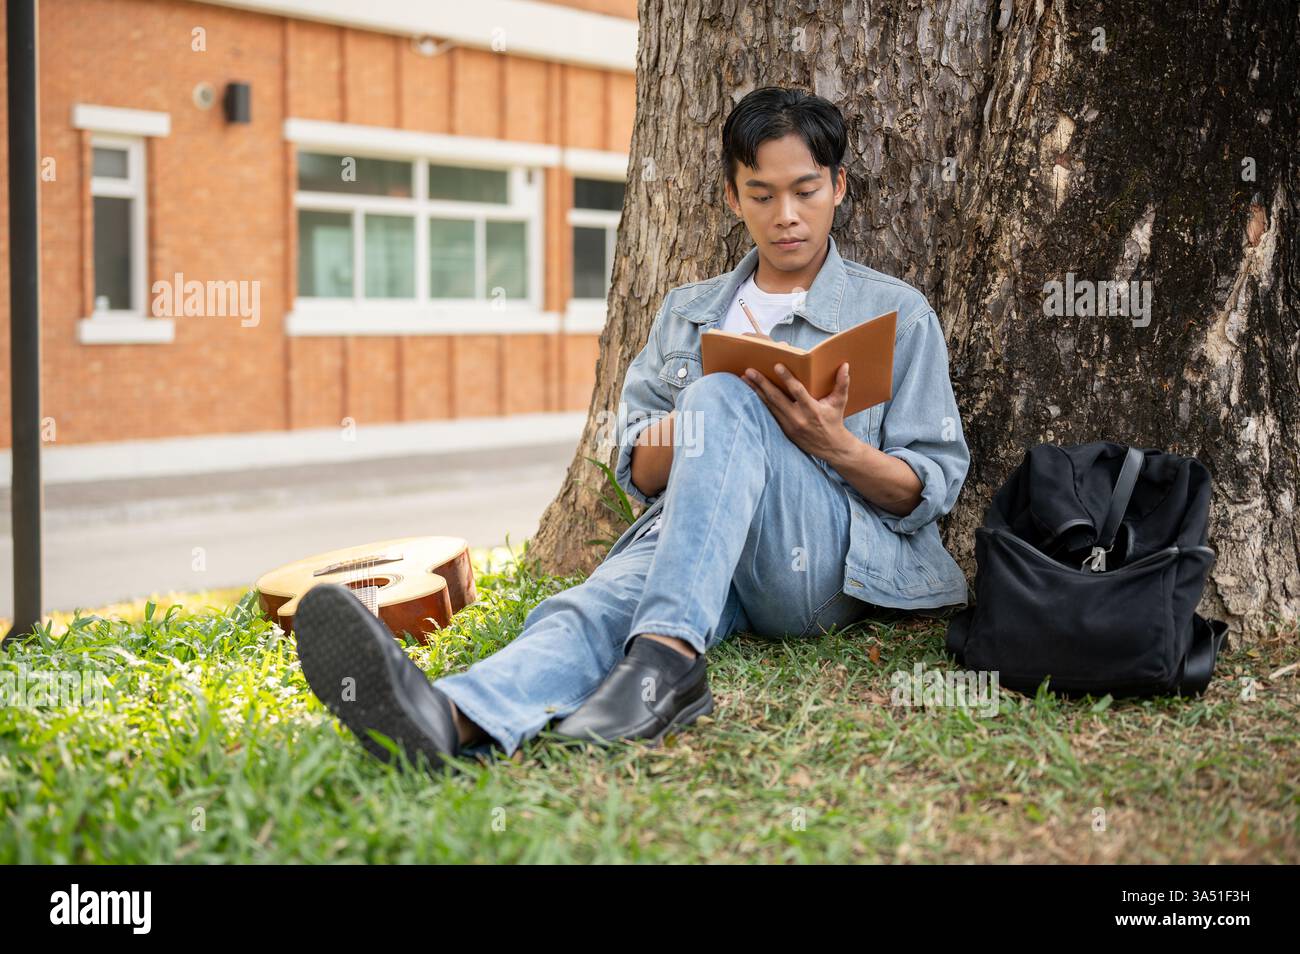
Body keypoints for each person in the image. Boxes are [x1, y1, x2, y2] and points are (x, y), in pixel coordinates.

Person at [293, 86, 971, 774]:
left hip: (817, 564)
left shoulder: (894, 314)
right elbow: (641, 475)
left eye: (805, 190)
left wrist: (835, 445)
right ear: (733, 199)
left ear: (838, 186)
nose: (786, 216)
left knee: (720, 401)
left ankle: (668, 661)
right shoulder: (690, 312)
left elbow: (929, 489)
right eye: (761, 194)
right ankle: (449, 714)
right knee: (592, 606)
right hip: (700, 547)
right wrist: (709, 417)